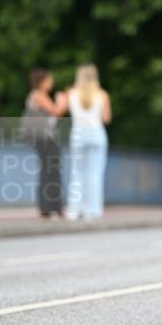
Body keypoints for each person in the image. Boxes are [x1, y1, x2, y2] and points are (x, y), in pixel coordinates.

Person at [58, 64, 112, 220]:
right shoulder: (102, 95)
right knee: (95, 173)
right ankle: (93, 210)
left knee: (77, 173)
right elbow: (106, 118)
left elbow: (60, 111)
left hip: (78, 134)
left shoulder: (71, 93)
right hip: (96, 134)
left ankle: (74, 210)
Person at [23, 68, 64, 218]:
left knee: (48, 171)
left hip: (44, 138)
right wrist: (61, 100)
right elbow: (56, 111)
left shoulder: (39, 95)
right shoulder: (38, 95)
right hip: (45, 138)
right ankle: (52, 207)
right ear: (42, 82)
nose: (51, 83)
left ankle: (49, 207)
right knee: (51, 171)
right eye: (49, 80)